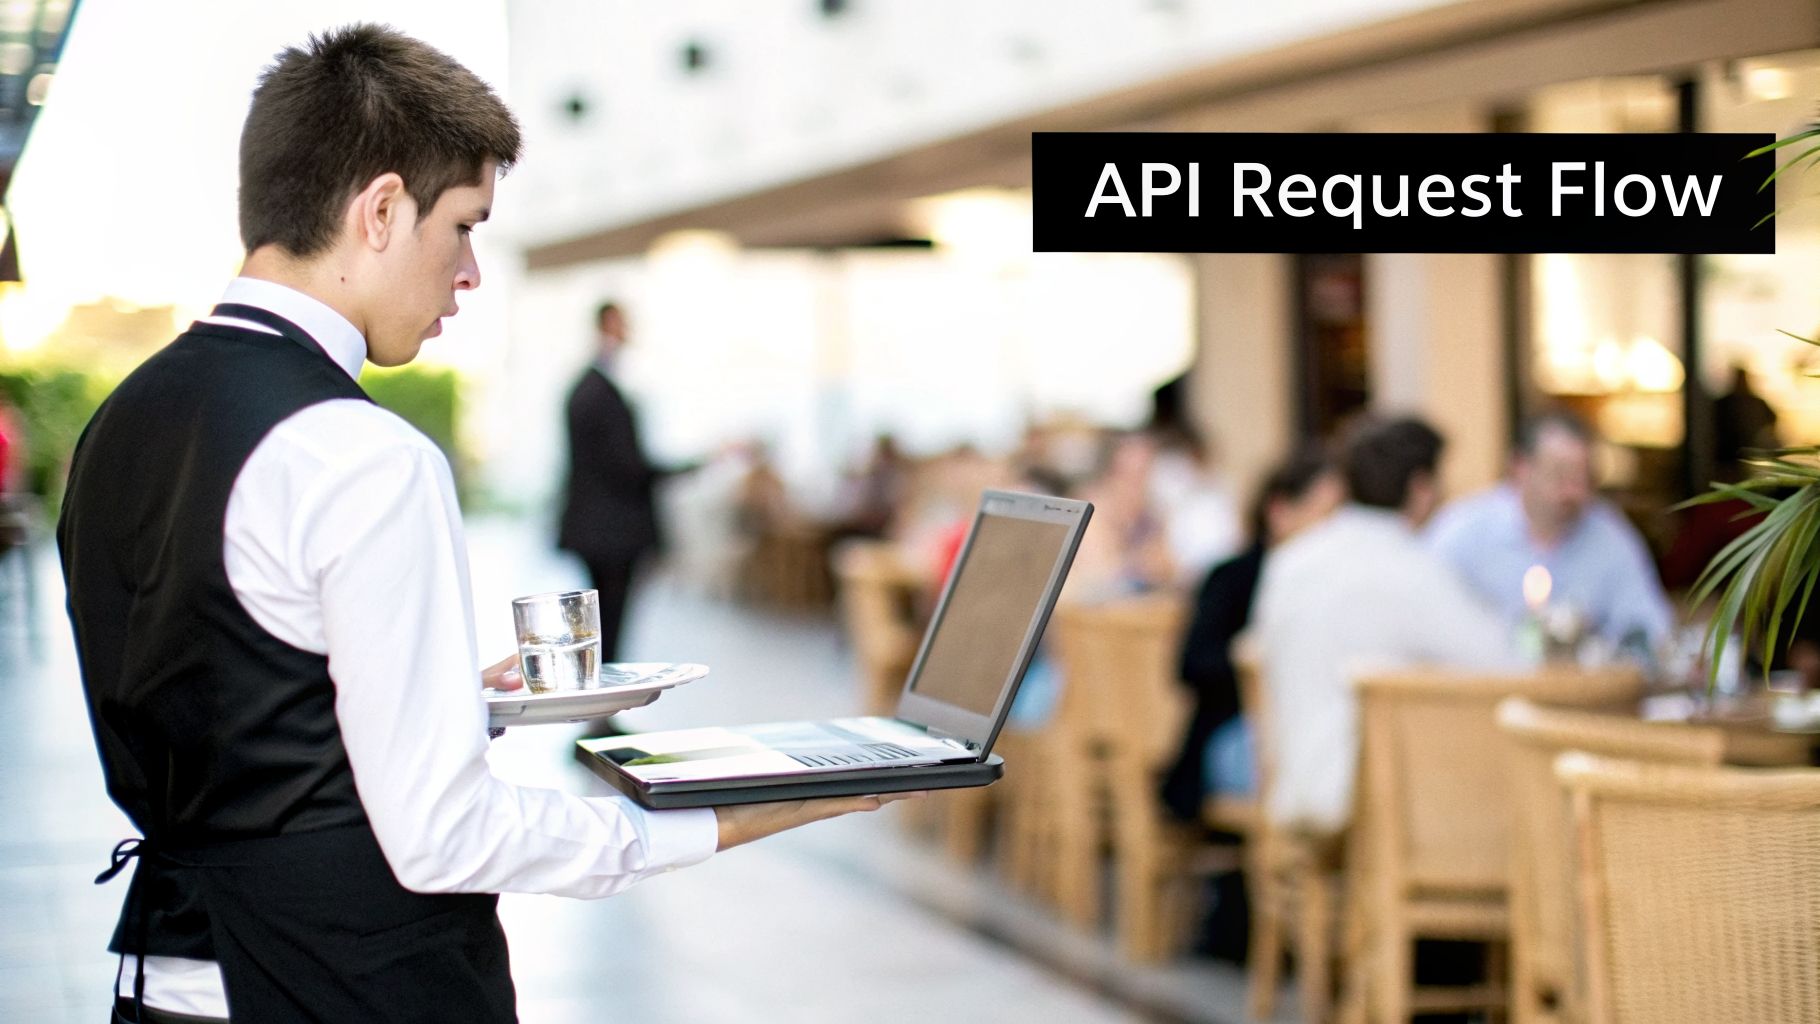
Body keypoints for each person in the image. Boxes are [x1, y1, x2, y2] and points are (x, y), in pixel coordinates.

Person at [57, 26, 897, 1024]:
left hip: (166, 977)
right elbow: (444, 837)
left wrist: (449, 701)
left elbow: (221, 698)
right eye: (462, 225)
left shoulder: (124, 418)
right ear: (379, 210)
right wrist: (729, 812)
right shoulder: (363, 452)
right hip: (348, 986)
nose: (470, 274)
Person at [1252, 416, 1520, 836]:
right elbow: (1505, 664)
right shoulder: (1413, 569)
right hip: (1368, 811)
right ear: (1421, 488)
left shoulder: (1289, 562)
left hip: (1290, 785)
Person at [1157, 447, 1340, 824]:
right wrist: (1258, 661)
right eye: (1325, 516)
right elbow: (1192, 665)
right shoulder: (1235, 577)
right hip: (1238, 728)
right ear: (1279, 512)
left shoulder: (1341, 584)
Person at [1426, 411, 1674, 648]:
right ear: (1519, 468)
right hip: (1484, 684)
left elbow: (1649, 628)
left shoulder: (1609, 535)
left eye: (1584, 478)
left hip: (1579, 687)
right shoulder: (1463, 530)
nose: (1573, 492)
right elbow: (1425, 614)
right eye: (1560, 475)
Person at [558, 300, 665, 664]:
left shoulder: (589, 387)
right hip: (611, 530)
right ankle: (604, 710)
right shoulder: (599, 391)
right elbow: (627, 467)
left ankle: (602, 708)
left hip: (596, 527)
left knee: (603, 624)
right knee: (609, 623)